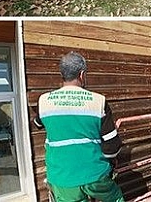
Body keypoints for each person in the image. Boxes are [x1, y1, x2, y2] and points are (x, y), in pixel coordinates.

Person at [33, 52, 124, 202]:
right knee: (115, 198)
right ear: (82, 75)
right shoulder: (98, 101)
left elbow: (37, 124)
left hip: (61, 176)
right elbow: (112, 146)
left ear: (62, 74)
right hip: (94, 174)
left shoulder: (43, 101)